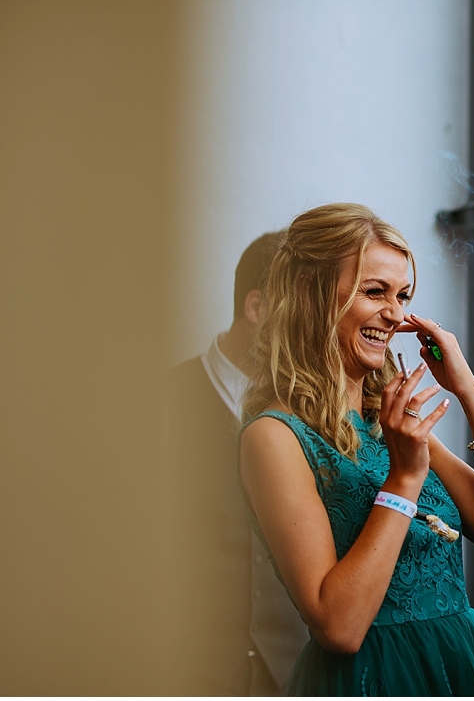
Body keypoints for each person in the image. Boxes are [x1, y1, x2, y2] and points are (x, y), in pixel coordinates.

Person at [238, 202, 474, 696]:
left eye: (403, 296)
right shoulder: (274, 436)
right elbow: (336, 627)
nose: (396, 314)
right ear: (312, 297)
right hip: (374, 678)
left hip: (462, 668)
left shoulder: (391, 423)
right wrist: (403, 480)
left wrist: (470, 392)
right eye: (374, 291)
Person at [164, 231, 308, 695]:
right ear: (256, 309)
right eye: (302, 313)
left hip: (298, 678)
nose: (316, 330)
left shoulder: (315, 414)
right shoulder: (156, 404)